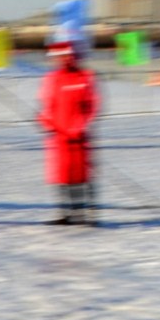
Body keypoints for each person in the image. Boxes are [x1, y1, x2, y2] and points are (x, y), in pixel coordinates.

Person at [38, 41, 100, 225]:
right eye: (58, 57)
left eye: (66, 56)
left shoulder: (85, 77)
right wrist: (45, 122)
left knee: (81, 176)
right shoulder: (52, 78)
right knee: (62, 175)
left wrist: (79, 128)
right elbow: (47, 105)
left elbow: (92, 107)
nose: (62, 60)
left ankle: (85, 214)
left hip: (79, 138)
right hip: (59, 137)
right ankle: (66, 213)